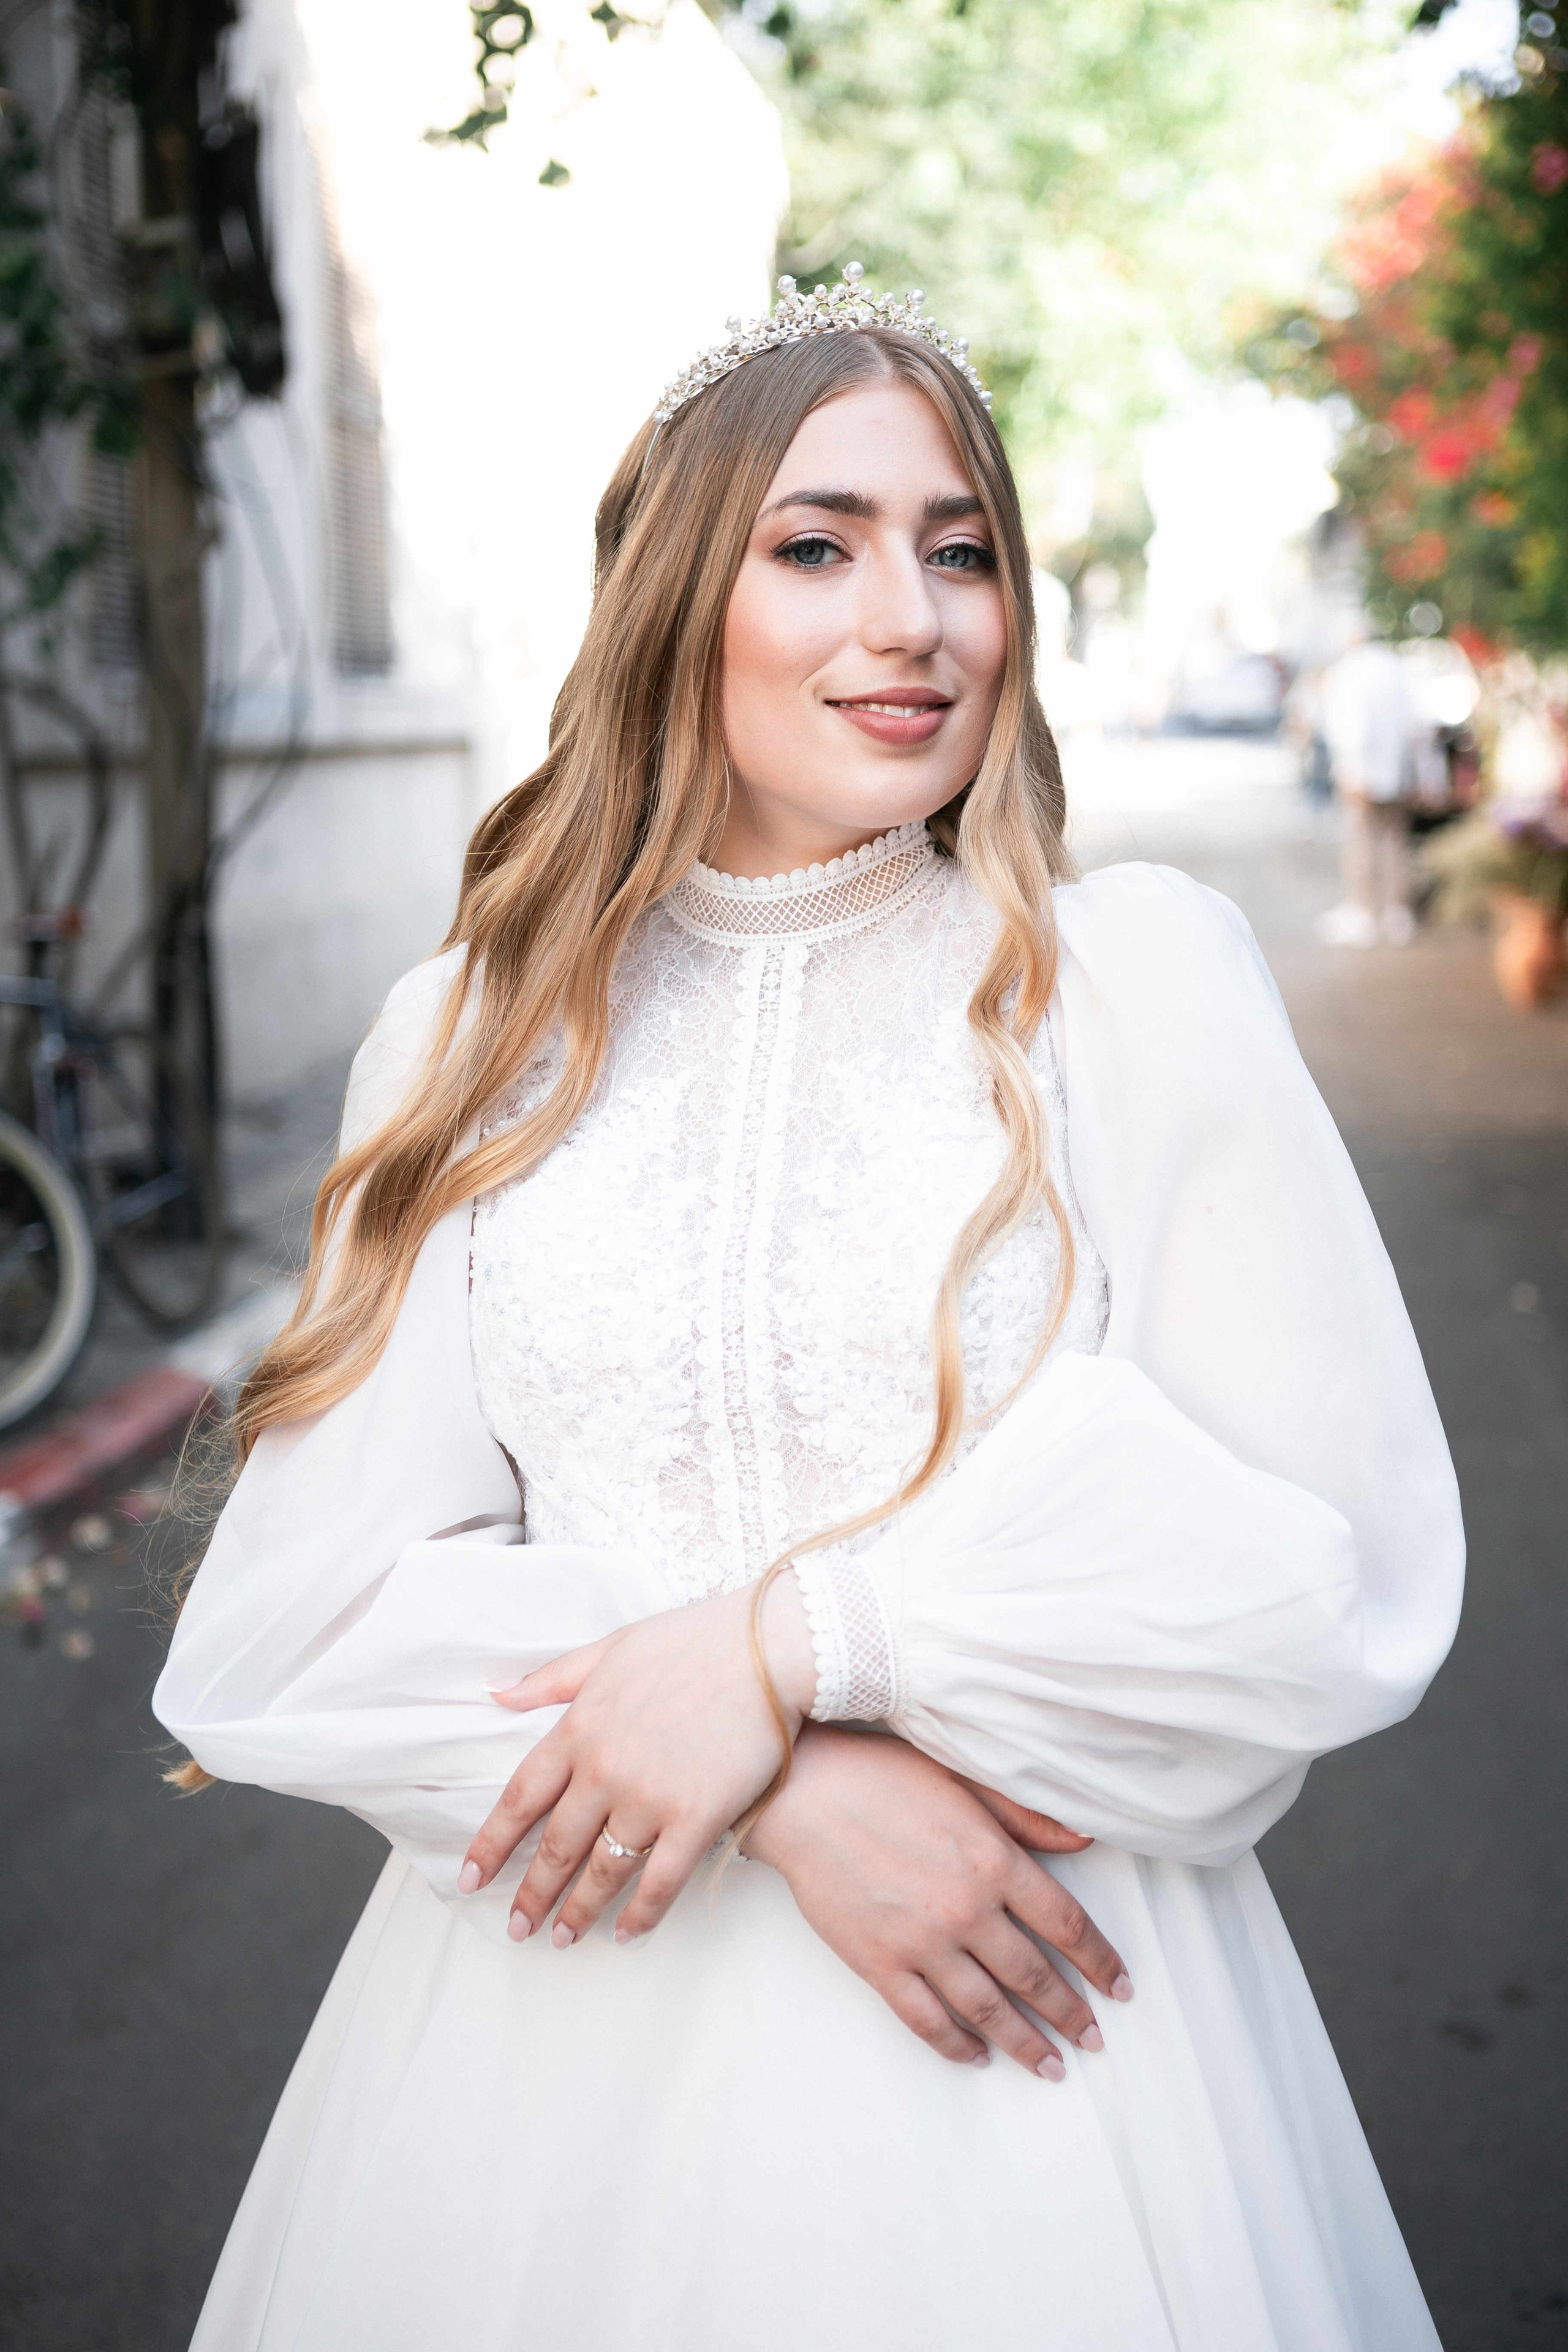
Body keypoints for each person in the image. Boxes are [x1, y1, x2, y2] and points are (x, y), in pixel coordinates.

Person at [156, 265, 1463, 2351]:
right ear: (680, 596)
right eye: (819, 547)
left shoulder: (1130, 989)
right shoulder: (474, 1036)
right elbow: (302, 1618)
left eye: (964, 552)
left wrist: (799, 1644)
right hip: (541, 2068)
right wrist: (783, 1785)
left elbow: (1330, 1577)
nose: (913, 619)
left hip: (1047, 2060)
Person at [1317, 623, 1419, 947]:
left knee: (1360, 841)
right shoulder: (1394, 668)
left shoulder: (1349, 671)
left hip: (1362, 770)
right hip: (1396, 771)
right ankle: (1397, 912)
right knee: (1394, 841)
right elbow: (1412, 723)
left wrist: (1352, 769)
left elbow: (1349, 726)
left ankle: (1362, 912)